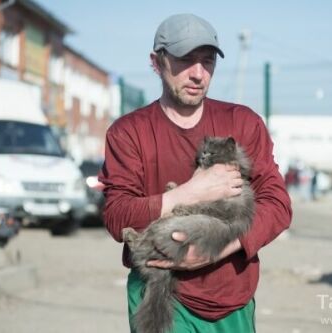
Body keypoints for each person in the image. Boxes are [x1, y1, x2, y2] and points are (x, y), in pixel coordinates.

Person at [99, 13, 292, 333]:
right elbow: (119, 218)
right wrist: (188, 193)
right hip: (157, 293)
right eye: (186, 61)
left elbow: (277, 204)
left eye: (208, 62)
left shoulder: (242, 123)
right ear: (156, 62)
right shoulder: (129, 132)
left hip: (229, 296)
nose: (199, 74)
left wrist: (214, 248)